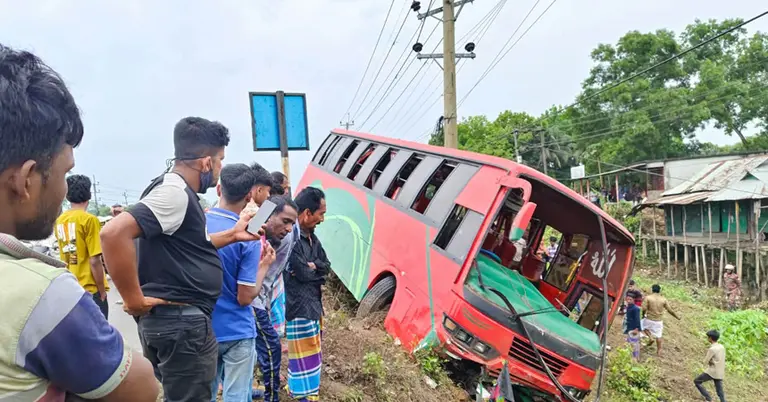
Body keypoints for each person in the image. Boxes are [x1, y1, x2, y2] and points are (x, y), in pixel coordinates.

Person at [0, 43, 158, 401]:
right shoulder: (39, 291)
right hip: (80, 295)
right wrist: (103, 292)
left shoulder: (63, 222)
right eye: (63, 172)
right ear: (26, 180)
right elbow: (141, 389)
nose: (62, 188)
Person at [100, 116, 262, 402]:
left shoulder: (173, 192)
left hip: (175, 323)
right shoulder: (175, 194)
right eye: (220, 160)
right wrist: (134, 299)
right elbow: (113, 234)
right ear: (205, 163)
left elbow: (195, 245)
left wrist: (234, 234)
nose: (220, 169)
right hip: (180, 324)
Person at [207, 164, 275, 401]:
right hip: (237, 330)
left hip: (203, 329)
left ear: (218, 189)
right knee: (236, 395)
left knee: (206, 393)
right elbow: (244, 296)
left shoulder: (198, 225)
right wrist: (265, 265)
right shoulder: (248, 235)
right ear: (250, 195)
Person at [285, 187, 329, 402]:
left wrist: (315, 268)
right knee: (303, 354)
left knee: (312, 353)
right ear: (306, 214)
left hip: (314, 305)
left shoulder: (313, 238)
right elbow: (302, 272)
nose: (322, 219)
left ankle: (307, 394)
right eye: (320, 213)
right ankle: (301, 396)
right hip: (299, 305)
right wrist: (314, 270)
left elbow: (326, 267)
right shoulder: (292, 238)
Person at [254, 195, 300, 402]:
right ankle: (271, 397)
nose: (289, 228)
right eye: (285, 221)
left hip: (260, 298)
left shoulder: (271, 236)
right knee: (272, 347)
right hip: (250, 301)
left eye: (292, 223)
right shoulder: (251, 233)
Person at [54, 174, 110, 318]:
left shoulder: (60, 221)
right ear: (89, 195)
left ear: (67, 196)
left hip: (71, 287)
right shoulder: (89, 220)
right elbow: (95, 260)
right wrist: (102, 291)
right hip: (90, 289)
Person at [641, 284, 681, 357]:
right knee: (659, 335)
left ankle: (650, 337)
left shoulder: (648, 298)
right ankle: (659, 351)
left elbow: (644, 308)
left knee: (643, 327)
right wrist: (677, 317)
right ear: (659, 290)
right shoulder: (663, 299)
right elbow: (670, 310)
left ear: (652, 289)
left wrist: (643, 315)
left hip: (649, 318)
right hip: (659, 320)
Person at [694, 329, 726, 402]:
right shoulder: (721, 347)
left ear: (710, 338)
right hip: (720, 371)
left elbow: (705, 361)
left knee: (697, 381)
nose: (707, 338)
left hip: (712, 371)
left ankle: (708, 398)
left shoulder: (712, 349)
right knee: (719, 391)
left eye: (708, 337)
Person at [623, 295, 642, 361]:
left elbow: (637, 319)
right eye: (627, 299)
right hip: (629, 327)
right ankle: (630, 357)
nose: (628, 301)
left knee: (634, 344)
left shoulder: (636, 309)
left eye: (630, 299)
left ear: (633, 300)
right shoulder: (629, 307)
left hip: (634, 328)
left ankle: (635, 358)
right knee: (630, 342)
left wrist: (637, 328)